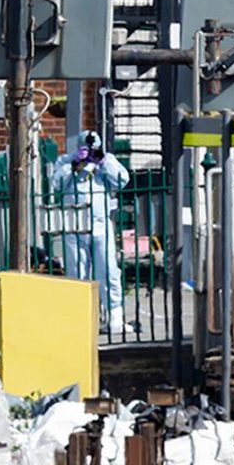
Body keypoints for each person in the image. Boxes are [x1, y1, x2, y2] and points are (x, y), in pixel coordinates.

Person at [52, 131, 132, 333]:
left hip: (100, 224)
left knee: (108, 269)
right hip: (75, 225)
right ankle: (80, 316)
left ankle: (114, 314)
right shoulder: (65, 161)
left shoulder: (106, 160)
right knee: (77, 272)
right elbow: (56, 185)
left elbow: (122, 180)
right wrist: (74, 165)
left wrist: (103, 162)